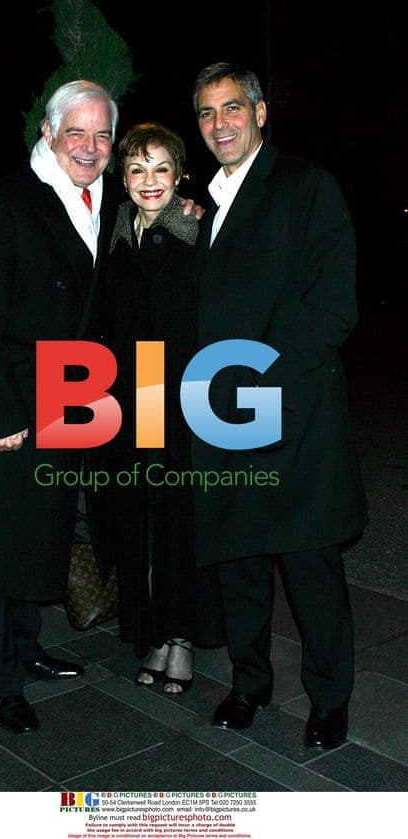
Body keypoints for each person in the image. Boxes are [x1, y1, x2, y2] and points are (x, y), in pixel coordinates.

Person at [190, 62, 369, 747]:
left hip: (289, 409)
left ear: (260, 112)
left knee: (308, 564)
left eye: (232, 107)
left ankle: (330, 698)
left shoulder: (304, 187)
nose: (220, 123)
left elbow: (334, 306)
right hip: (220, 412)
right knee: (239, 558)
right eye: (207, 113)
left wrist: (263, 381)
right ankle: (250, 683)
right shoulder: (199, 204)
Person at [0, 80, 123, 734]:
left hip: (66, 403)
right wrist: (2, 415)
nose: (90, 146)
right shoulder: (7, 202)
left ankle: (24, 647)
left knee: (37, 535)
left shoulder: (104, 203)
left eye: (102, 134)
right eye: (77, 131)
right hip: (11, 408)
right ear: (48, 133)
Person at [87, 122, 225, 693]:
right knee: (140, 519)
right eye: (138, 169)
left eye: (162, 168)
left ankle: (182, 637)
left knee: (180, 522)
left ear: (179, 176)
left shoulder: (198, 230)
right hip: (129, 400)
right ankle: (151, 632)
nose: (150, 181)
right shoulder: (111, 237)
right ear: (123, 177)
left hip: (185, 398)